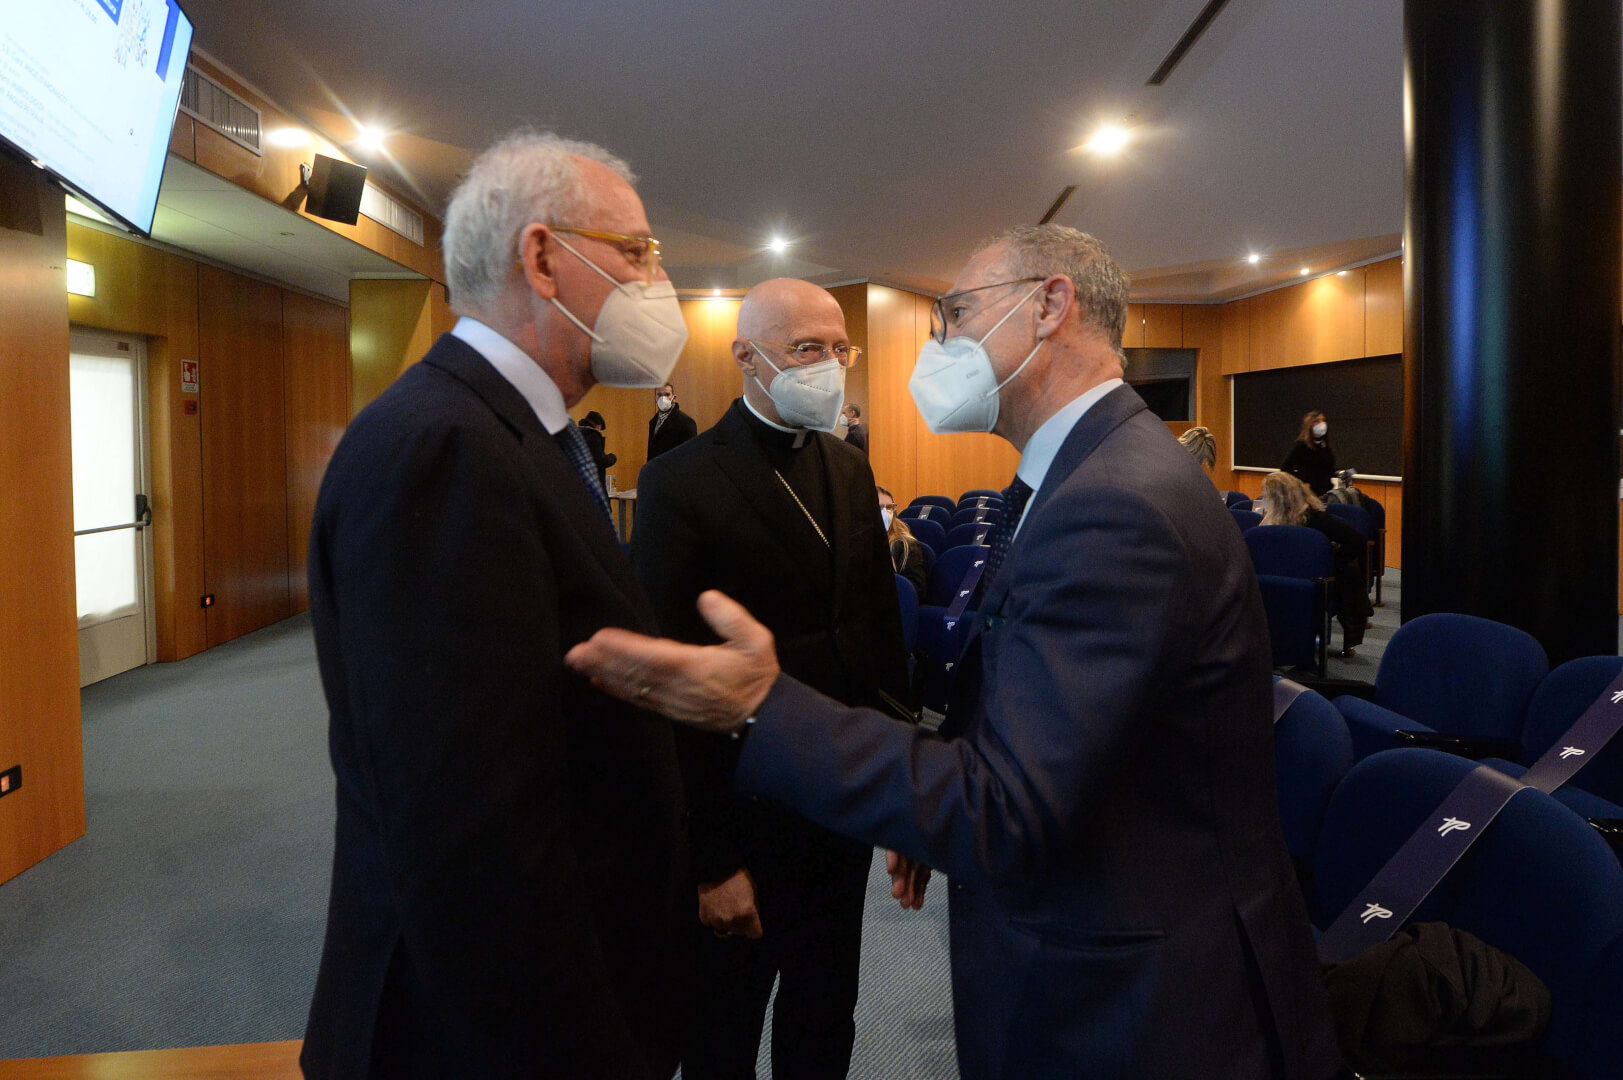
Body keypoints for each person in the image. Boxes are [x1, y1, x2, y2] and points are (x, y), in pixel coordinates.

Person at [568, 225, 1341, 1080]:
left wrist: (762, 706)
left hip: (1129, 985)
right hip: (787, 818)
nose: (939, 343)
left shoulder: (1112, 501)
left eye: (957, 313)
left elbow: (1002, 796)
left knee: (824, 1014)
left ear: (1048, 306)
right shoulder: (1093, 475)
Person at [301, 131, 692, 1080]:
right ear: (542, 258)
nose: (656, 280)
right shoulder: (444, 447)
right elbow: (471, 833)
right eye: (637, 251)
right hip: (486, 1034)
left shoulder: (518, 431)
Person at [630, 277, 908, 1080]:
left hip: (839, 803)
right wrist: (710, 861)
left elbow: (878, 642)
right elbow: (668, 684)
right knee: (721, 1027)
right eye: (805, 348)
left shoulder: (848, 467)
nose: (829, 364)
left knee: (825, 1013)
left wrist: (899, 798)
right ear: (745, 357)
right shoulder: (679, 480)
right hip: (740, 810)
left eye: (839, 349)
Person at [1261, 470, 1373, 655]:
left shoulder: (1315, 519)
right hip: (1286, 580)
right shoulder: (1272, 522)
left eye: (1266, 496)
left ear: (1277, 499)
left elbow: (1356, 541)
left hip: (1314, 583)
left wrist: (1330, 561)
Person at [878, 485, 927, 596]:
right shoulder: (857, 543)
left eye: (889, 507)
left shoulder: (906, 545)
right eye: (879, 507)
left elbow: (916, 589)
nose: (885, 512)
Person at [1282, 409, 1335, 495]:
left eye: (1324, 420)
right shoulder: (1302, 446)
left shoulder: (1324, 445)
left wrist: (1339, 473)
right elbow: (1285, 468)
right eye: (1317, 421)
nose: (1322, 424)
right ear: (1309, 425)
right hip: (1308, 493)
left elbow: (1326, 468)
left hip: (1325, 491)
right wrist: (1300, 483)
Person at [648, 380, 697, 460]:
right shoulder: (653, 422)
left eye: (667, 394)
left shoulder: (686, 422)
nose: (663, 398)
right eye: (659, 395)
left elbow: (690, 455)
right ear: (655, 398)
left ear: (674, 398)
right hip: (656, 467)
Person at [578, 409, 617, 492]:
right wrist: (612, 457)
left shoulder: (577, 433)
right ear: (597, 425)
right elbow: (600, 460)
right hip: (595, 480)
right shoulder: (593, 436)